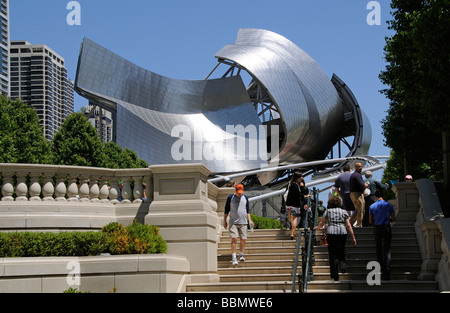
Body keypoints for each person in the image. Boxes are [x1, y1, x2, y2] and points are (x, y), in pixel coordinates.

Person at [314, 196, 356, 281]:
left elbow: (322, 223)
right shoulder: (344, 212)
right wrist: (353, 237)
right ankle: (342, 264)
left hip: (332, 233)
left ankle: (335, 275)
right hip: (342, 232)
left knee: (332, 254)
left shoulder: (328, 211)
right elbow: (348, 225)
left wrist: (317, 227)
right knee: (341, 250)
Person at [224, 184, 254, 265]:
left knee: (243, 240)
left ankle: (241, 254)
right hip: (233, 222)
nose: (239, 194)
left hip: (243, 222)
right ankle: (234, 257)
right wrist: (224, 221)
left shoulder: (245, 198)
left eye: (241, 192)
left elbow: (247, 211)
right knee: (234, 238)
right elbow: (226, 211)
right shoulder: (230, 198)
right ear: (235, 190)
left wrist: (250, 221)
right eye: (238, 192)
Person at [369, 189, 396, 280]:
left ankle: (380, 267)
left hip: (377, 228)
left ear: (376, 196)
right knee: (387, 248)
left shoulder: (372, 206)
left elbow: (370, 221)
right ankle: (387, 270)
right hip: (386, 227)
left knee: (378, 247)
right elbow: (393, 218)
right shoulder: (389, 205)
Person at [285, 171, 309, 240]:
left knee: (291, 219)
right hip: (294, 205)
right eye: (301, 176)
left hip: (288, 205)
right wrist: (305, 195)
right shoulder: (295, 185)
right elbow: (298, 194)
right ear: (297, 178)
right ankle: (292, 233)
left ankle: (292, 230)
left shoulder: (291, 183)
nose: (302, 177)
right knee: (294, 219)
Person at [349, 163, 368, 227]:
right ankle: (351, 223)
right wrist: (365, 185)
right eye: (359, 167)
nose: (361, 168)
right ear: (355, 167)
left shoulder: (355, 175)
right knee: (359, 209)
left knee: (360, 209)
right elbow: (361, 184)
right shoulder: (357, 175)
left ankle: (359, 224)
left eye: (361, 166)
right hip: (357, 194)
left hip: (354, 193)